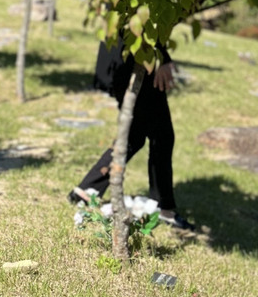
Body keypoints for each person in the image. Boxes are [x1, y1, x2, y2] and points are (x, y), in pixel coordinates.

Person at [68, 37, 196, 230]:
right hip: (138, 64)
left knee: (135, 136)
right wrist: (162, 58)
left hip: (126, 62)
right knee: (161, 136)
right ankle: (164, 208)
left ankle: (87, 188)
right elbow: (143, 21)